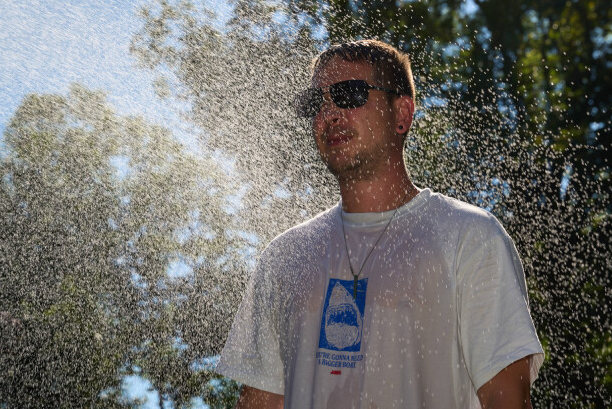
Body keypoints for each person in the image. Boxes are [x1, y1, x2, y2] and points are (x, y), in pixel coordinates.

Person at [216, 40, 544, 408]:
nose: (329, 114)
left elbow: (508, 402)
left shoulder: (468, 238)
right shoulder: (285, 256)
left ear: (402, 113)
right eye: (315, 103)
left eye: (349, 94)